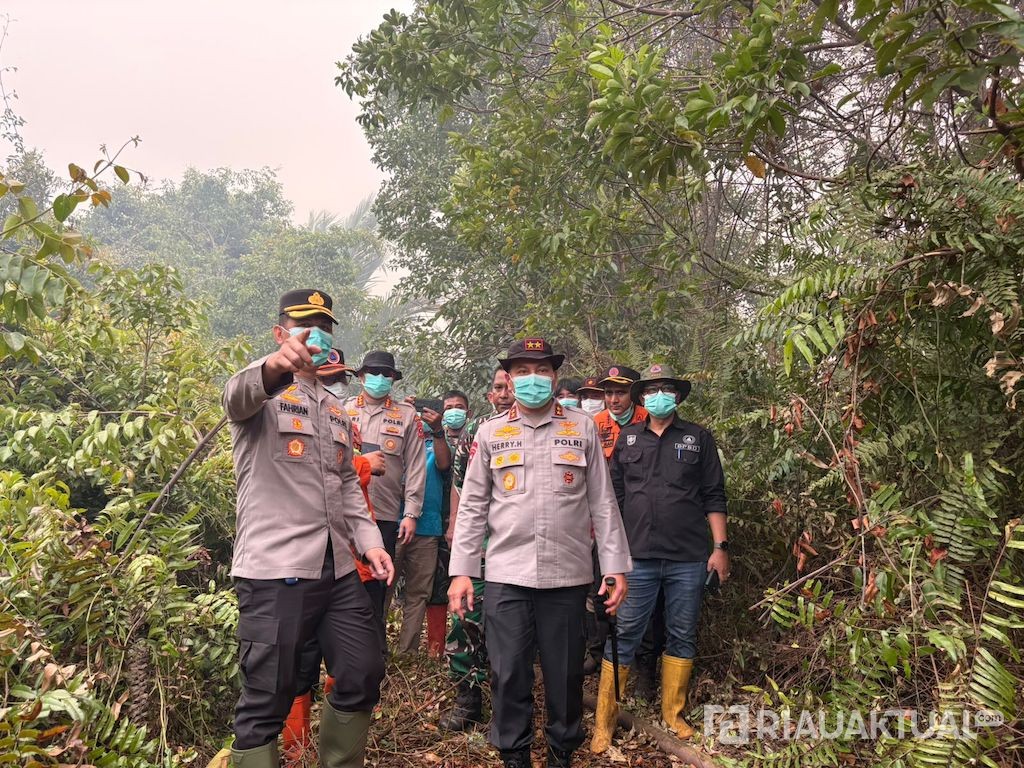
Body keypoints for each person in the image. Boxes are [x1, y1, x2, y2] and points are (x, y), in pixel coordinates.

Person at [223, 290, 394, 768]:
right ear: (281, 333)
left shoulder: (335, 409)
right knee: (266, 698)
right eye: (304, 325)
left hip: (337, 571)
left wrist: (370, 543)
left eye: (324, 326)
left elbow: (343, 484)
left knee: (362, 670)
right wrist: (275, 366)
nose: (315, 334)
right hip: (275, 571)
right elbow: (235, 395)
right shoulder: (261, 391)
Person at [448, 338, 633, 768]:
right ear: (509, 379)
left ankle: (559, 754)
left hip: (566, 577)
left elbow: (603, 503)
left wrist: (615, 567)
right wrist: (461, 571)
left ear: (554, 376)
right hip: (506, 576)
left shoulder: (580, 427)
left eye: (543, 371)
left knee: (565, 676)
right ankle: (514, 755)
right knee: (508, 672)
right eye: (524, 372)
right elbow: (473, 505)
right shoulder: (492, 431)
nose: (534, 379)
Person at [591, 363, 729, 753]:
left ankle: (673, 712)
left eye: (666, 388)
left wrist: (720, 548)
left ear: (679, 396)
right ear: (642, 398)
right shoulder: (629, 439)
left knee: (681, 633)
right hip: (637, 558)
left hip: (688, 557)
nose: (658, 395)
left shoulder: (699, 439)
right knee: (625, 634)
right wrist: (610, 555)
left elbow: (714, 495)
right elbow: (612, 500)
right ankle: (605, 719)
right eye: (650, 390)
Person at [281, 349, 386, 767]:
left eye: (340, 377)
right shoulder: (283, 408)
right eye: (328, 375)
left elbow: (345, 485)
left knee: (355, 657)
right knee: (299, 658)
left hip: (352, 558)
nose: (334, 383)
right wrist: (364, 464)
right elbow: (310, 475)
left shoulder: (342, 418)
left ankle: (332, 744)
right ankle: (295, 743)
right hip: (303, 558)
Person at [438, 370, 514, 731]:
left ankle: (507, 703)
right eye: (499, 387)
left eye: (510, 386)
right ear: (489, 394)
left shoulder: (547, 426)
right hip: (479, 542)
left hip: (517, 546)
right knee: (465, 616)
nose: (505, 393)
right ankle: (467, 699)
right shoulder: (477, 430)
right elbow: (459, 484)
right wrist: (454, 524)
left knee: (509, 626)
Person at [344, 350, 426, 652]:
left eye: (386, 374)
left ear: (393, 379)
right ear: (361, 376)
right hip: (347, 515)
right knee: (346, 581)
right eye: (374, 373)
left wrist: (412, 512)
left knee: (377, 585)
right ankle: (346, 651)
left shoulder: (406, 416)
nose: (380, 379)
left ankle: (374, 653)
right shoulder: (343, 410)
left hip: (386, 514)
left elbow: (416, 467)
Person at [390, 396, 451, 654]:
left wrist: (437, 431)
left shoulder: (438, 443)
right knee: (382, 589)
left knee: (418, 594)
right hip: (391, 523)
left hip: (427, 528)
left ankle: (407, 652)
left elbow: (444, 464)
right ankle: (374, 651)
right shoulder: (398, 439)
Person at [593, 366, 648, 460]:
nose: (614, 400)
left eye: (621, 393)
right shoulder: (596, 422)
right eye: (609, 393)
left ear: (633, 393)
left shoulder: (647, 418)